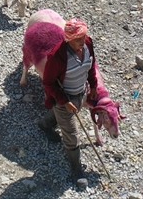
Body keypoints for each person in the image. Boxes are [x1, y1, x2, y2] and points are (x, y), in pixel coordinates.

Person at [38, 18, 101, 180]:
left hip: (81, 93)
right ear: (69, 39)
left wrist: (93, 85)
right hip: (64, 99)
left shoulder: (88, 44)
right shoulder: (57, 57)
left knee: (62, 118)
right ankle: (76, 169)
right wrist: (64, 102)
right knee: (72, 136)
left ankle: (45, 124)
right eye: (79, 39)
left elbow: (91, 65)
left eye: (84, 37)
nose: (83, 41)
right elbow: (48, 83)